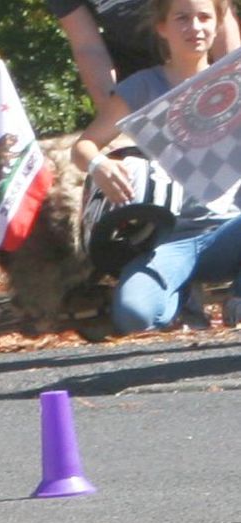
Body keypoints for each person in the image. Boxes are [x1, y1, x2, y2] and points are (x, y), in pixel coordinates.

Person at [72, 0, 241, 332]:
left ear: (219, 23)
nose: (195, 28)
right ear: (161, 27)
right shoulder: (142, 88)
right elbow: (83, 147)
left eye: (205, 18)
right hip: (170, 237)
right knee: (135, 316)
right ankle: (177, 303)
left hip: (231, 231)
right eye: (182, 19)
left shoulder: (234, 79)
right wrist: (98, 165)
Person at [48, 0, 239, 113]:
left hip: (206, 63)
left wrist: (232, 85)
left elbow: (218, 14)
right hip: (147, 85)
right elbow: (88, 48)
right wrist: (116, 117)